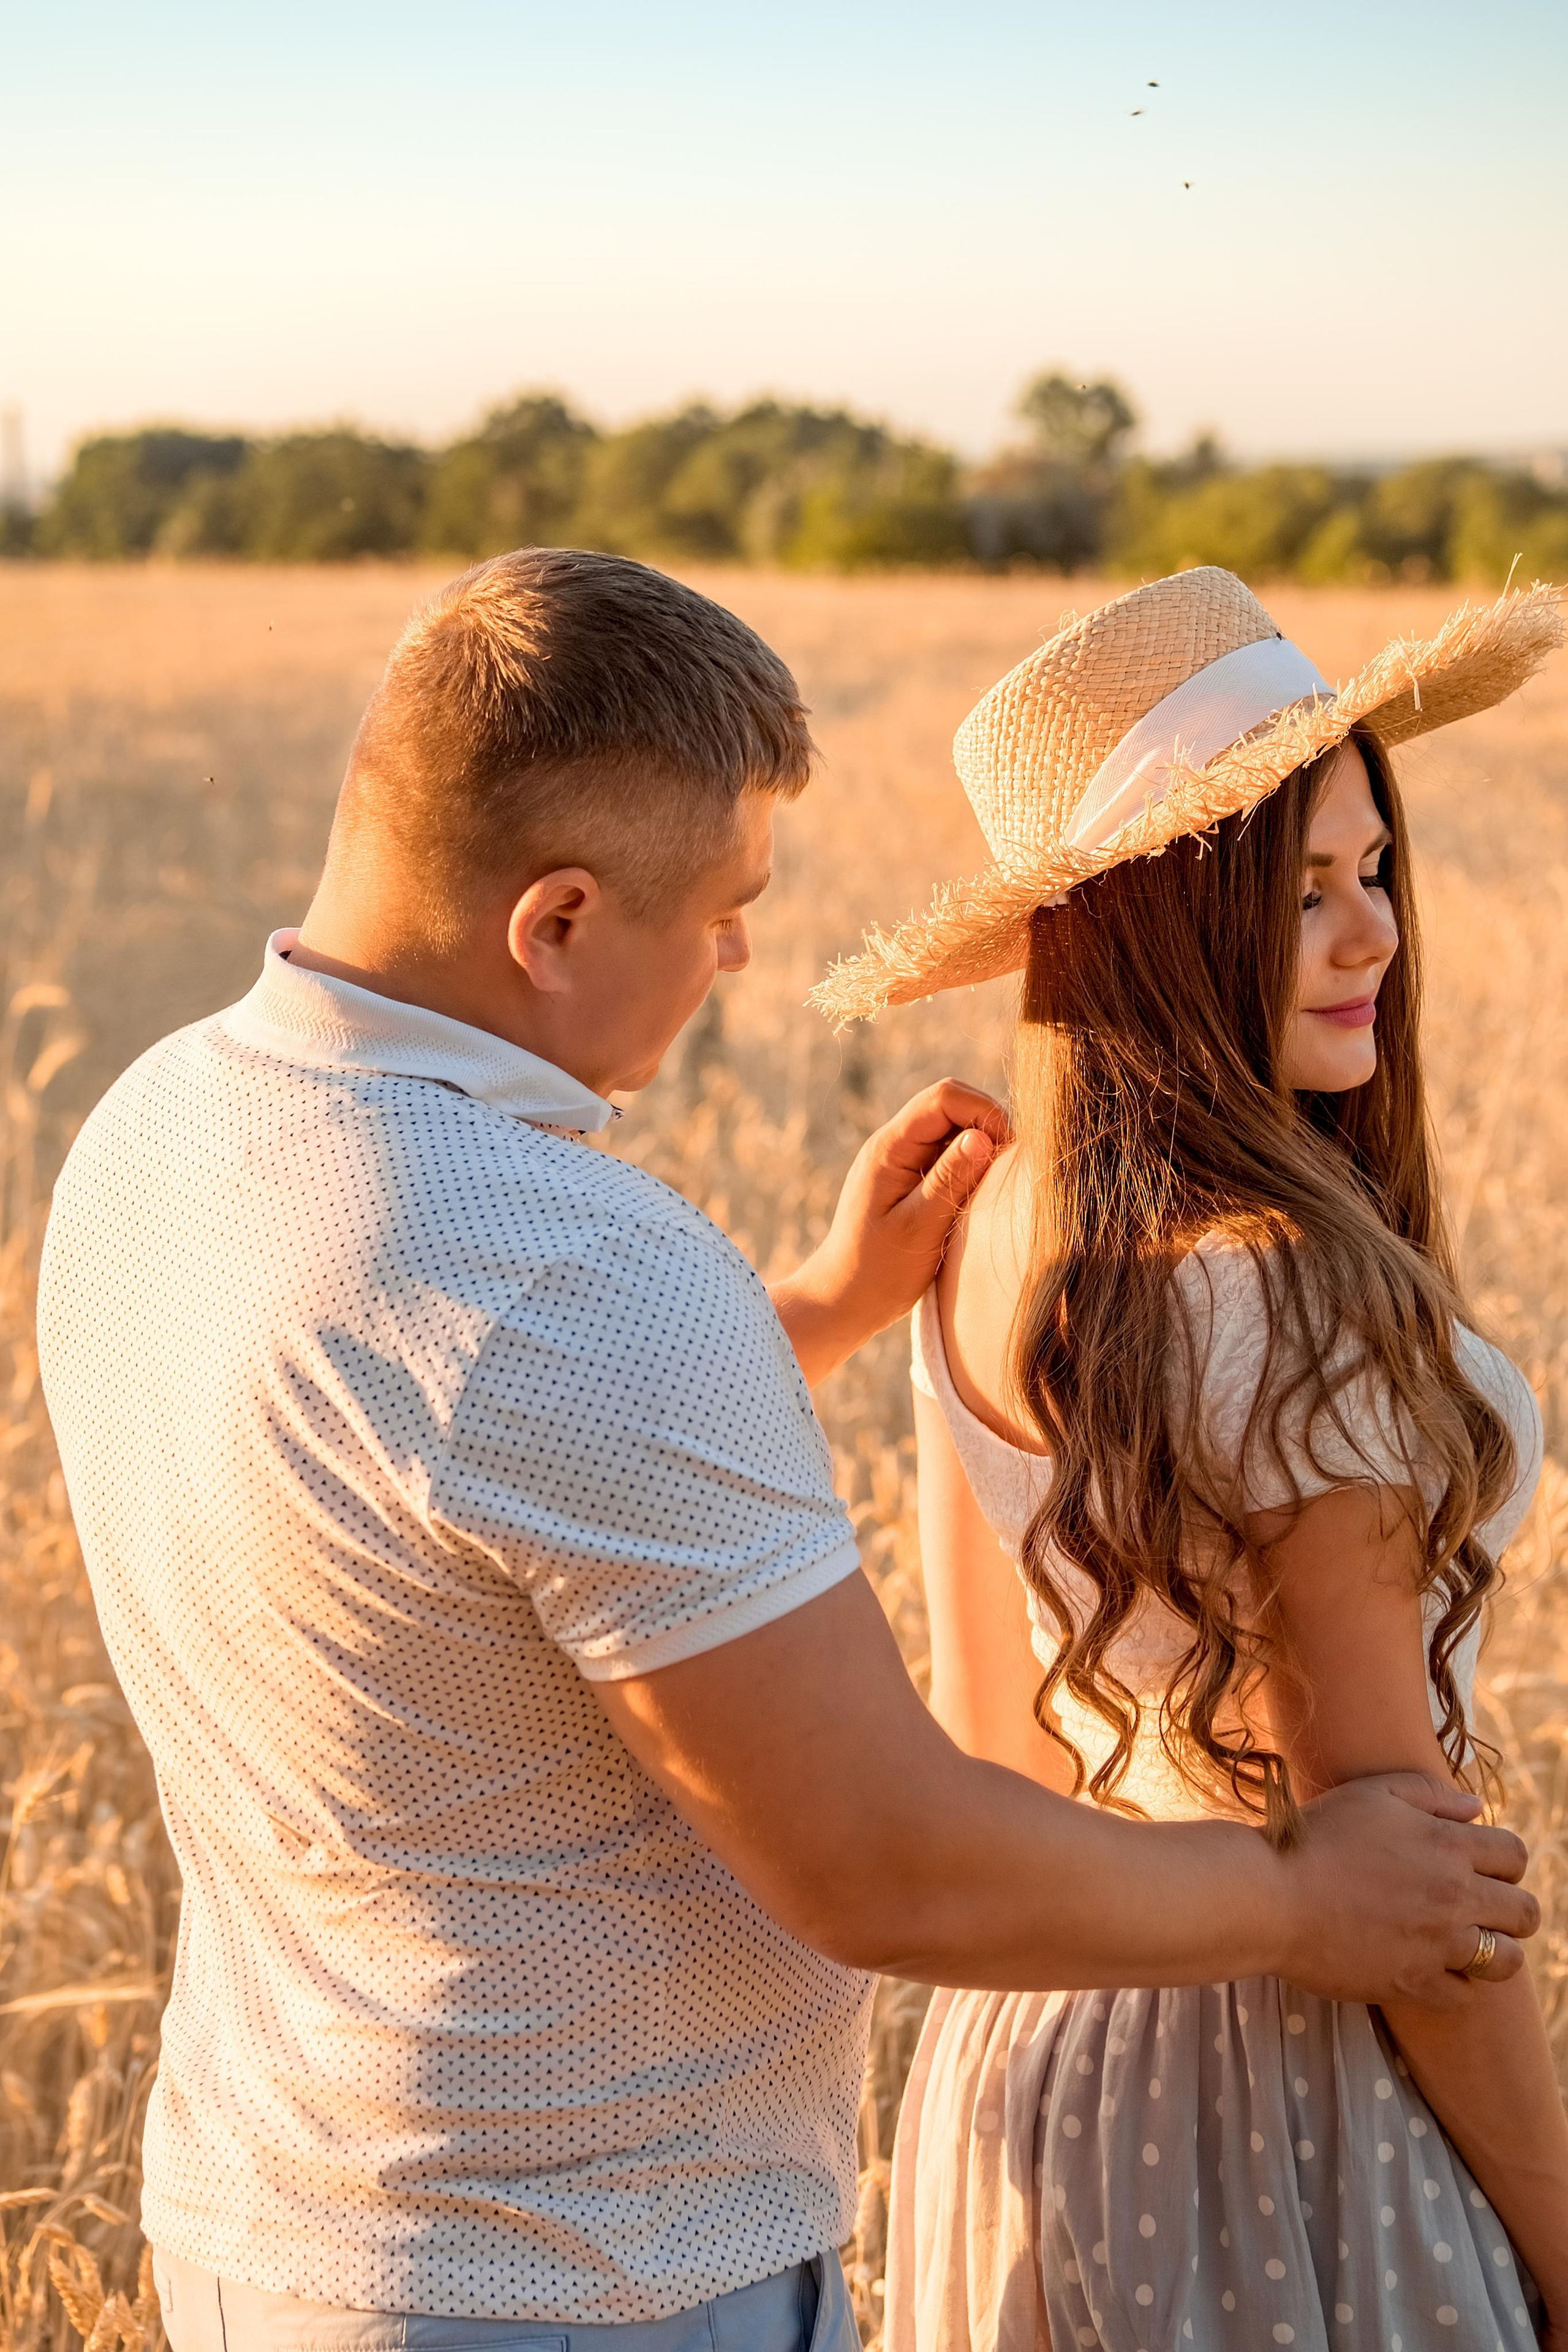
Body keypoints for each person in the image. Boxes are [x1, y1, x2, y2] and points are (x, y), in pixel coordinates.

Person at [39, 552, 1539, 2352]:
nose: (741, 956)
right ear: (560, 920)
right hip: (591, 2276)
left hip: (267, 2229)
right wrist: (1306, 1892)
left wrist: (818, 1311)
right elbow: (883, 1859)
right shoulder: (584, 1276)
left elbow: (449, 1450)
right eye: (724, 909)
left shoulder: (163, 1128)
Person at [812, 565, 1567, 2350]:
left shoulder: (992, 1230)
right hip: (1292, 2093)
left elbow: (999, 1753)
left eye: (1374, 870)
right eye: (1299, 891)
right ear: (1160, 923)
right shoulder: (1284, 1292)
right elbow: (1406, 1867)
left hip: (1036, 2069)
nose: (1373, 934)